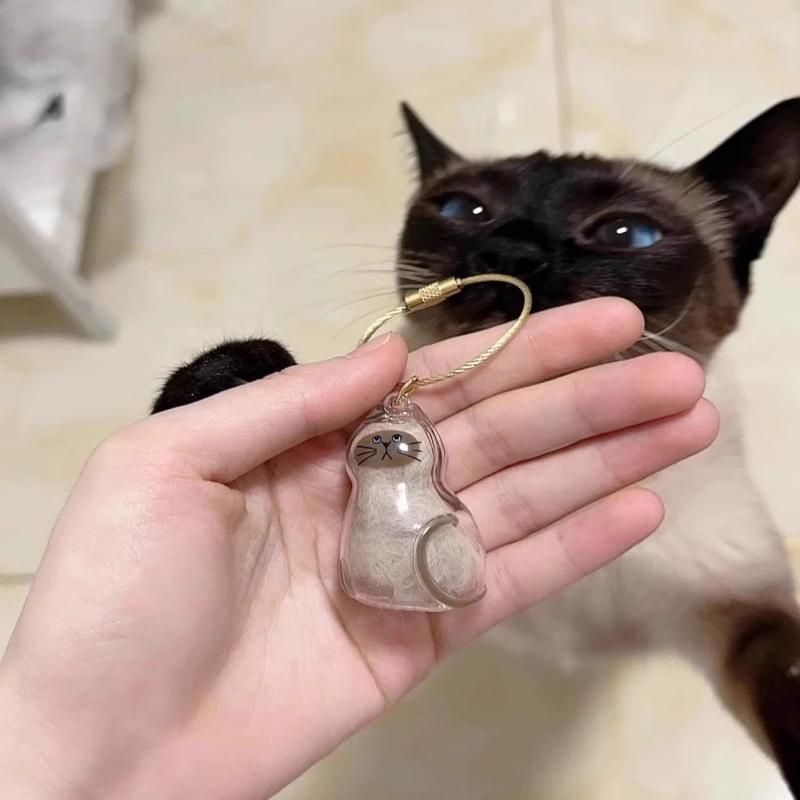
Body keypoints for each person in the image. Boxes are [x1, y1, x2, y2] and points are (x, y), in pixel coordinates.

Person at [0, 298, 717, 800]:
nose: (385, 453)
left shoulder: (413, 463)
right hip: (381, 558)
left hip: (427, 543)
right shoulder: (375, 460)